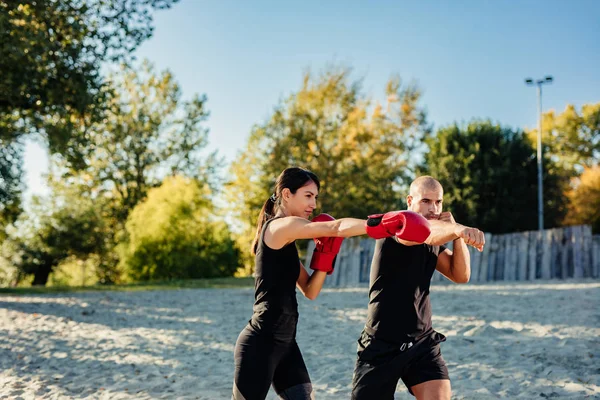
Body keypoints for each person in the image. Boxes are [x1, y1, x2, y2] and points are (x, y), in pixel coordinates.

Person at [232, 167, 432, 400]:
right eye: (308, 195)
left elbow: (310, 290)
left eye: (315, 197)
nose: (314, 204)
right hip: (260, 343)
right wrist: (385, 223)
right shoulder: (278, 228)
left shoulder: (287, 243)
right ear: (287, 194)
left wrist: (324, 256)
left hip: (286, 344)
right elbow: (335, 227)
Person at [351, 176, 486, 400]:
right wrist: (458, 229)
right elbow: (425, 233)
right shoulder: (395, 226)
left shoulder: (434, 239)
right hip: (382, 343)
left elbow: (460, 275)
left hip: (422, 342)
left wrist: (456, 235)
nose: (433, 208)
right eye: (426, 201)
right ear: (410, 200)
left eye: (438, 202)